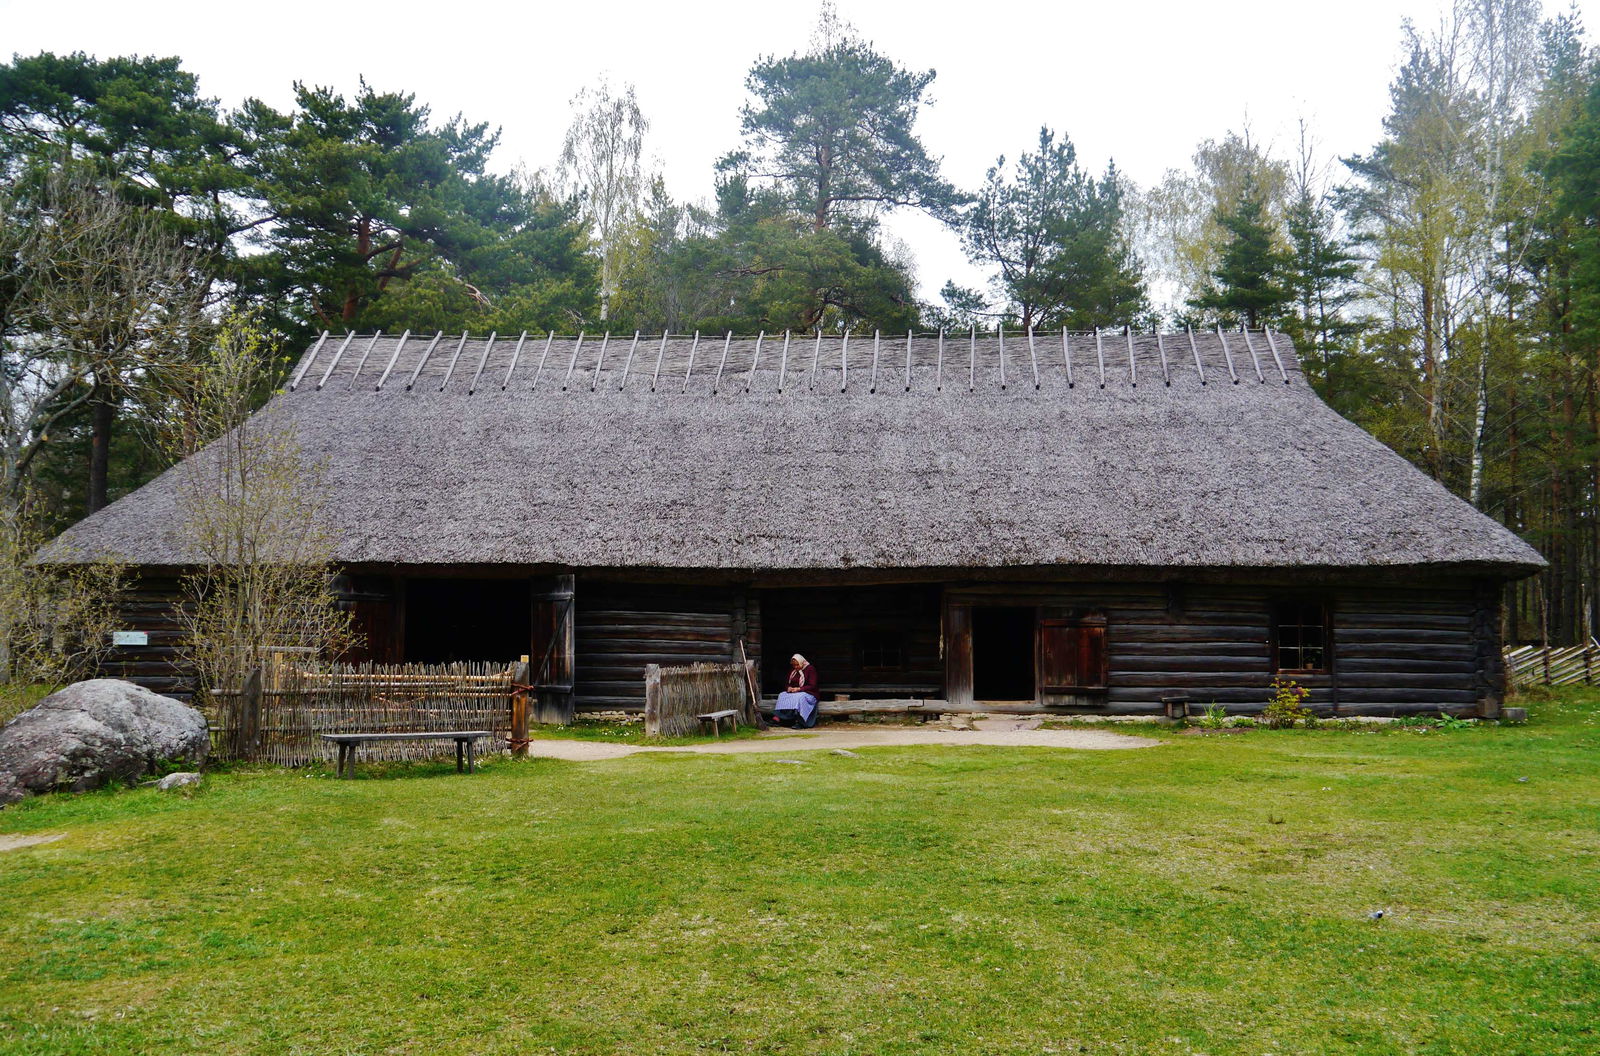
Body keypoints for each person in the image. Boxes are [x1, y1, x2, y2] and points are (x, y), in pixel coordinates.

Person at [771, 654, 819, 728]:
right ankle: (779, 718)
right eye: (794, 665)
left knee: (800, 697)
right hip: (796, 692)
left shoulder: (810, 669)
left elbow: (812, 685)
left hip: (809, 693)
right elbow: (787, 683)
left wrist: (799, 689)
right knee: (782, 695)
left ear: (802, 662)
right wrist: (789, 688)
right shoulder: (793, 670)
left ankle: (800, 722)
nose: (795, 667)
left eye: (797, 665)